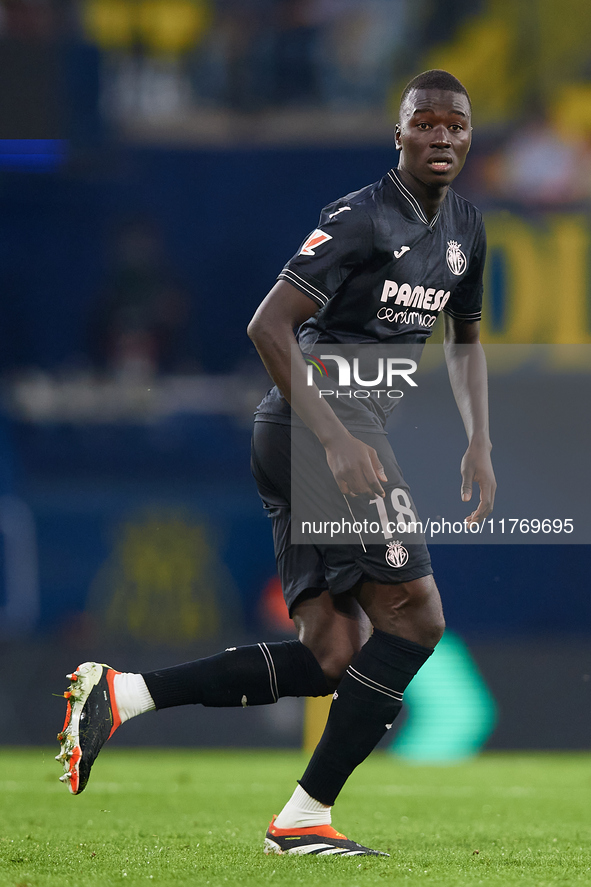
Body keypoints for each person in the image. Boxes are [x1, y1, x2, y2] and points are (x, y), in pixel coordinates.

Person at [56, 69, 496, 857]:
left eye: (454, 125)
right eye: (423, 123)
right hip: (319, 430)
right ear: (397, 135)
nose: (440, 137)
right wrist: (332, 436)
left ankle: (121, 694)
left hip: (321, 437)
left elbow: (465, 341)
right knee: (416, 617)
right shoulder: (359, 217)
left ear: (468, 137)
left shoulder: (466, 229)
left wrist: (480, 442)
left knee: (333, 653)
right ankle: (302, 817)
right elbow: (269, 324)